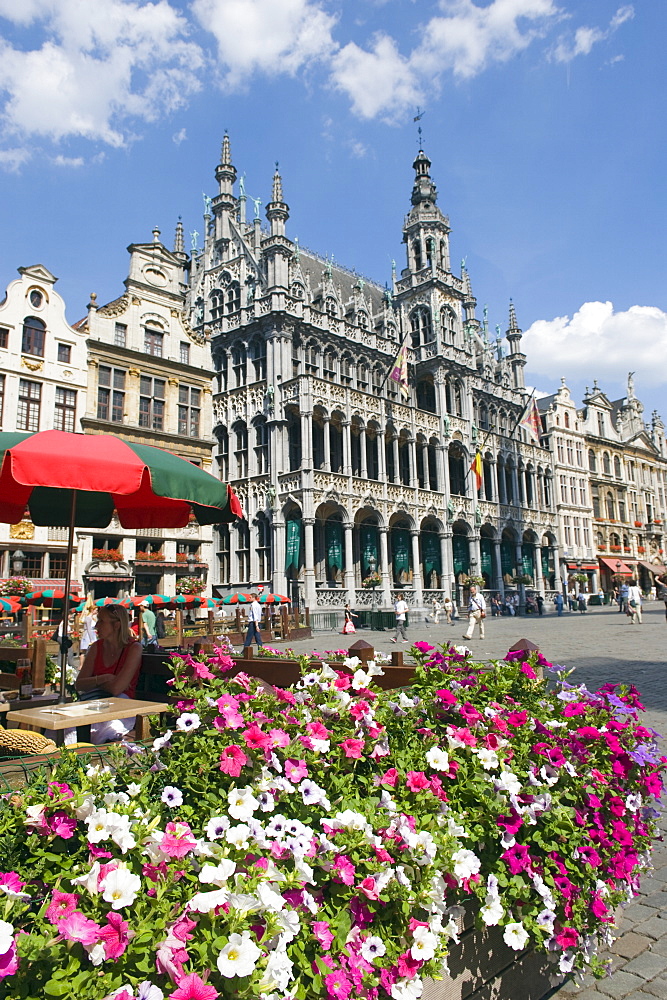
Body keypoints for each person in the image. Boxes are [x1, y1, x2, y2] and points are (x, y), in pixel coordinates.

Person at [75, 605, 142, 744]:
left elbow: (117, 689)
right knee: (69, 729)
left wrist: (94, 681)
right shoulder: (96, 647)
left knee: (104, 732)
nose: (96, 625)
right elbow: (79, 684)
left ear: (116, 625)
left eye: (101, 621)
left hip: (122, 709)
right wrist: (105, 678)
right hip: (96, 704)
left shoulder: (133, 648)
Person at [78, 598, 98, 665]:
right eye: (96, 610)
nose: (97, 612)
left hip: (92, 633)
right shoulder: (88, 618)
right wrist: (91, 639)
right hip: (88, 635)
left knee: (92, 650)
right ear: (92, 610)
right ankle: (81, 665)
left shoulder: (93, 618)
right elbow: (89, 628)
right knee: (84, 650)